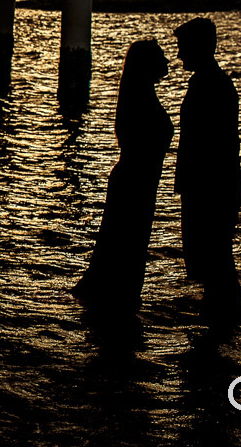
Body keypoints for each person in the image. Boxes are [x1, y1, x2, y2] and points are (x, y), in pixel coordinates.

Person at [73, 39, 173, 314]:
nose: (167, 61)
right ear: (147, 65)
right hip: (135, 184)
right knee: (126, 250)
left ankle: (111, 310)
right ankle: (117, 311)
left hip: (136, 182)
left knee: (121, 250)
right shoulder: (141, 100)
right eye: (160, 57)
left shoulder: (138, 96)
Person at [173, 17, 241, 324]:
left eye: (183, 47)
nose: (179, 55)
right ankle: (221, 321)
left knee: (216, 260)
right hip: (210, 185)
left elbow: (213, 144)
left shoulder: (211, 86)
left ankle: (223, 319)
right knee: (216, 261)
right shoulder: (210, 82)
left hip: (210, 188)